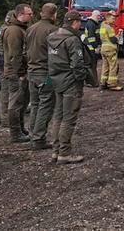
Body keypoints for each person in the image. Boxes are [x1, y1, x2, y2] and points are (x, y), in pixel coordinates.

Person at [47, 10, 90, 164]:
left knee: (58, 116)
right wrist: (82, 78)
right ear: (74, 22)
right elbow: (77, 64)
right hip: (70, 82)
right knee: (69, 118)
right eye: (79, 22)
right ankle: (64, 153)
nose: (80, 25)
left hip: (57, 80)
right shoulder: (72, 40)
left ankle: (55, 151)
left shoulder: (52, 37)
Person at [25, 3, 58, 150]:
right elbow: (56, 54)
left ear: (41, 13)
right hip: (45, 73)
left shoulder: (30, 29)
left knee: (35, 104)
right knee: (46, 105)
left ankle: (33, 135)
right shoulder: (53, 30)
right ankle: (38, 138)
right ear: (54, 15)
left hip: (31, 72)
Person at [3, 3, 33, 143]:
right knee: (15, 103)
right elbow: (15, 55)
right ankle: (15, 133)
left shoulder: (20, 29)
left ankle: (21, 128)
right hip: (15, 73)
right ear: (21, 14)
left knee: (22, 101)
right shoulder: (14, 31)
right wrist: (20, 73)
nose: (31, 16)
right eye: (29, 14)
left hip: (19, 71)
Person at [0, 10, 15, 128]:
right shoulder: (7, 30)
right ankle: (4, 118)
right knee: (6, 91)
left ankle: (2, 117)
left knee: (4, 91)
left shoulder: (1, 29)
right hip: (5, 63)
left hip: (1, 61)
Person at [98, 11, 122, 91]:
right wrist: (117, 37)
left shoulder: (102, 26)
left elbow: (103, 38)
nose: (114, 20)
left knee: (105, 66)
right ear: (107, 18)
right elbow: (113, 39)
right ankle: (112, 84)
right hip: (110, 50)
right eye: (113, 18)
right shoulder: (109, 27)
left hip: (104, 49)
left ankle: (103, 83)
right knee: (113, 66)